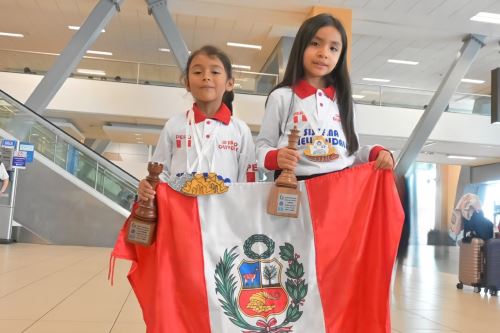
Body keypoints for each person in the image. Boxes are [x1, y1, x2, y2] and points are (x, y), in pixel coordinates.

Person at [256, 13, 393, 180]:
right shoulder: (281, 96)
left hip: (338, 188)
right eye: (315, 43)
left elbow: (351, 153)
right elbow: (262, 147)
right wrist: (275, 157)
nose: (324, 53)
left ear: (340, 56)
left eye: (333, 48)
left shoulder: (344, 101)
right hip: (293, 186)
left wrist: (376, 152)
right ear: (301, 46)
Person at [138, 45, 256, 201]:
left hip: (223, 216)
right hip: (180, 212)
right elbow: (161, 172)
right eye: (198, 72)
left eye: (215, 72)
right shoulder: (174, 125)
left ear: (230, 83)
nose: (206, 77)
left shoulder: (240, 130)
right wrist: (148, 186)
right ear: (187, 83)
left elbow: (246, 182)